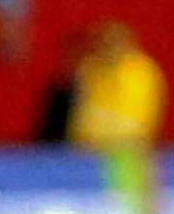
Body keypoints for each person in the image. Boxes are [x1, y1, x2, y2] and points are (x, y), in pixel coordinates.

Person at [69, 21, 164, 150]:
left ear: (127, 44)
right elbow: (80, 112)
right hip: (85, 148)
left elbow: (138, 118)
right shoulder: (88, 69)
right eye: (103, 44)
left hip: (127, 146)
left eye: (114, 43)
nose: (109, 49)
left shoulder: (141, 71)